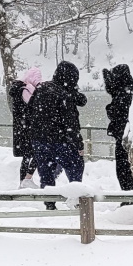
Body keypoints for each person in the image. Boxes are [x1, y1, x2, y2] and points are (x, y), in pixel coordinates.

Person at [25, 60, 87, 209]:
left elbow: (28, 113)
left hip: (40, 140)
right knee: (75, 166)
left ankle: (49, 204)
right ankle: (75, 199)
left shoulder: (41, 89)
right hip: (61, 141)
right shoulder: (64, 95)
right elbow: (71, 124)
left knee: (46, 173)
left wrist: (33, 135)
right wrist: (79, 144)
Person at [103, 63, 133, 191]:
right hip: (132, 135)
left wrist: (109, 108)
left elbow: (116, 113)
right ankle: (131, 195)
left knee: (123, 169)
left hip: (123, 136)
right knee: (129, 168)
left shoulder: (122, 95)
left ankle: (129, 197)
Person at [9, 66, 42, 186]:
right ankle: (27, 180)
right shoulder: (26, 90)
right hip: (29, 128)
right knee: (36, 153)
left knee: (27, 156)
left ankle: (23, 181)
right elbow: (34, 108)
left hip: (21, 128)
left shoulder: (18, 89)